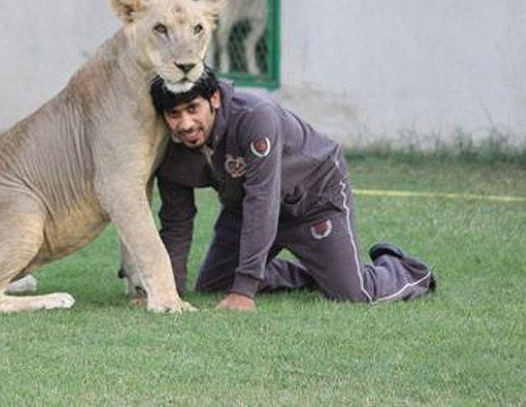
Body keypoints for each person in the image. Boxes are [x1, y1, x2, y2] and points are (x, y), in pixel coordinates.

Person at [149, 67, 435, 312]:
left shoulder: (255, 118)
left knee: (353, 293)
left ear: (214, 99)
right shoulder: (171, 150)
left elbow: (263, 200)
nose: (186, 124)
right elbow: (176, 224)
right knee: (214, 284)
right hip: (247, 208)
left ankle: (406, 269)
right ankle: (322, 273)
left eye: (193, 109)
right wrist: (168, 290)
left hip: (313, 200)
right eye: (174, 114)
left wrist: (244, 290)